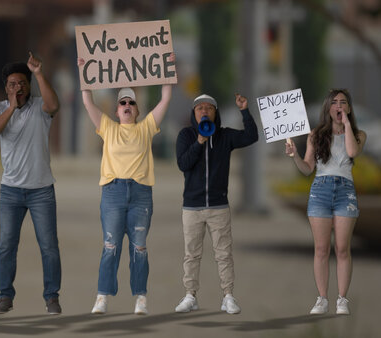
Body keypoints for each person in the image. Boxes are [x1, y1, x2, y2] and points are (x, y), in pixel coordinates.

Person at [77, 54, 174, 315]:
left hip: (141, 194)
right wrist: (85, 72)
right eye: (123, 102)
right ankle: (102, 296)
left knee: (139, 247)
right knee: (110, 245)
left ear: (138, 109)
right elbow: (87, 101)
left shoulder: (146, 128)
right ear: (117, 109)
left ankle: (140, 297)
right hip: (113, 192)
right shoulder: (107, 128)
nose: (128, 105)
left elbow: (165, 98)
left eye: (131, 102)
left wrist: (167, 69)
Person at [0, 52, 62, 315]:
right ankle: (5, 296)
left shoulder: (40, 106)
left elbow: (55, 106)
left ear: (29, 86)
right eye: (13, 84)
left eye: (22, 83)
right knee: (6, 245)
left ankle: (52, 297)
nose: (18, 87)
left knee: (49, 246)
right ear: (6, 87)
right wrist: (11, 107)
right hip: (10, 191)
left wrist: (38, 72)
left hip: (41, 190)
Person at [174, 93, 258, 314]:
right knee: (191, 254)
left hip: (219, 206)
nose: (204, 111)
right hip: (192, 207)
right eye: (200, 108)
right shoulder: (186, 135)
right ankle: (190, 296)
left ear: (215, 113)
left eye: (209, 108)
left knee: (223, 254)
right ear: (194, 113)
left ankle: (228, 296)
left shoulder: (225, 136)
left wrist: (244, 111)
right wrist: (199, 142)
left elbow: (252, 136)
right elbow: (183, 164)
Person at [285, 89, 367, 315]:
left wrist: (347, 125)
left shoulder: (359, 134)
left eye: (343, 103)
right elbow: (307, 169)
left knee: (342, 248)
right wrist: (295, 157)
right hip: (320, 189)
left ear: (349, 108)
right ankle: (322, 298)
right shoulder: (315, 135)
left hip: (345, 191)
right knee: (321, 249)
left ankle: (342, 298)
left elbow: (351, 150)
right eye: (334, 103)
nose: (338, 106)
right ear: (327, 108)